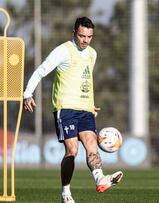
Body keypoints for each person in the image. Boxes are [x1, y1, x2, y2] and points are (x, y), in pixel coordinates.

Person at [23, 17, 123, 203]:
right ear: (74, 33)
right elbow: (41, 70)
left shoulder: (92, 54)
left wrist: (90, 104)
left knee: (92, 145)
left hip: (85, 109)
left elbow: (85, 81)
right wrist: (27, 94)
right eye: (81, 36)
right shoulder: (63, 51)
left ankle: (100, 179)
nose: (85, 40)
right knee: (72, 151)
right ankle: (66, 192)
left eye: (89, 36)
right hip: (65, 108)